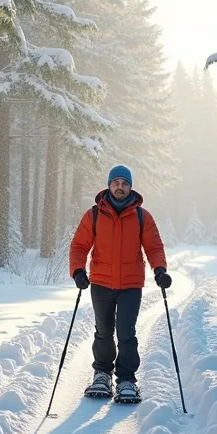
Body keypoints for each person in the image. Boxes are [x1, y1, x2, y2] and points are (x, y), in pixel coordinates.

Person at [68, 165, 171, 403]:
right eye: (116, 183)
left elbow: (154, 247)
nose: (120, 187)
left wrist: (160, 270)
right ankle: (102, 374)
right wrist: (77, 271)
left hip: (131, 284)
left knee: (126, 333)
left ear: (130, 186)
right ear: (109, 185)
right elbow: (79, 246)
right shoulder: (94, 214)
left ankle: (126, 379)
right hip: (101, 283)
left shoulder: (141, 216)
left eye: (124, 183)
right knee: (103, 331)